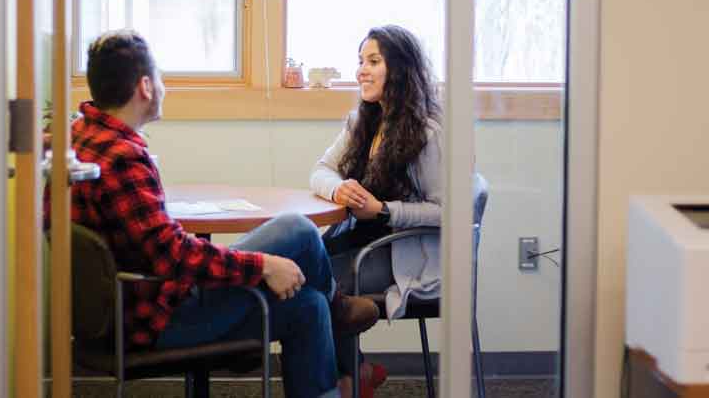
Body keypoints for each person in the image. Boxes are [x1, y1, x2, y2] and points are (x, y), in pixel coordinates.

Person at [44, 29, 380, 398]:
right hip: (152, 318)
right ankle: (340, 315)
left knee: (308, 306)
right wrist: (263, 266)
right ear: (145, 87)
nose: (163, 87)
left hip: (113, 313)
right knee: (298, 231)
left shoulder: (77, 137)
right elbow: (172, 255)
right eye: (161, 79)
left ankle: (333, 318)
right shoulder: (124, 158)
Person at [310, 25, 443, 398]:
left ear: (399, 70)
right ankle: (355, 372)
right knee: (305, 269)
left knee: (314, 288)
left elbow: (448, 212)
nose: (361, 71)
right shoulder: (363, 120)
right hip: (358, 242)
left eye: (373, 61)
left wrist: (384, 211)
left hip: (403, 251)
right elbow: (319, 169)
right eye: (360, 62)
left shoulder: (427, 133)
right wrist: (339, 187)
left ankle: (348, 378)